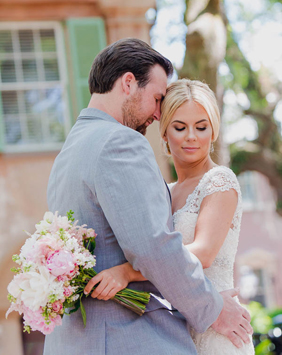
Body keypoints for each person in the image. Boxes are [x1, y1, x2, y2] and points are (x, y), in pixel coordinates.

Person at [43, 39, 252, 355]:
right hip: (128, 337)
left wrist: (125, 272)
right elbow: (154, 248)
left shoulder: (68, 152)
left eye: (201, 126)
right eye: (157, 98)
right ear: (128, 83)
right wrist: (214, 308)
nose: (157, 113)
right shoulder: (119, 143)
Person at [87, 78, 255, 354]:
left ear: (213, 131)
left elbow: (202, 253)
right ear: (164, 132)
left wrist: (126, 273)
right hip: (171, 331)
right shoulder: (164, 191)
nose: (191, 136)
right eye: (180, 127)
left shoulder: (220, 182)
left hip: (219, 330)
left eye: (201, 127)